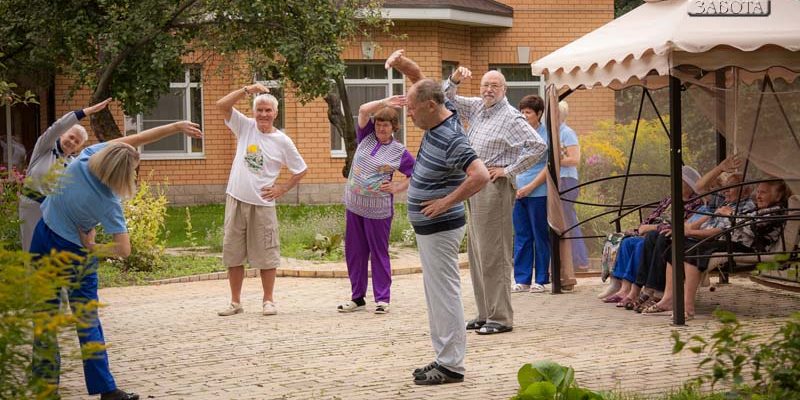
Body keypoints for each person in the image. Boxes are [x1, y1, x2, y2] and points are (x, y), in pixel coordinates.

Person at [29, 119, 203, 400]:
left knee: (45, 317)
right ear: (124, 173)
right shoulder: (109, 202)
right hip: (75, 255)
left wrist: (174, 127)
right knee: (87, 321)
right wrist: (94, 247)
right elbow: (124, 250)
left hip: (43, 237)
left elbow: (135, 139)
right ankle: (107, 391)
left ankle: (45, 387)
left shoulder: (84, 158)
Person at [386, 49, 489, 385]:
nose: (409, 115)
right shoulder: (440, 111)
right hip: (431, 227)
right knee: (436, 293)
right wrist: (404, 66)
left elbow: (480, 175)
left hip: (442, 226)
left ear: (430, 106)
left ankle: (452, 365)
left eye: (412, 110)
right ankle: (443, 356)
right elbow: (421, 82)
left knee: (444, 293)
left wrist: (445, 201)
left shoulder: (452, 137)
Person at [445, 65, 546, 335]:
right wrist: (454, 79)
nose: (489, 90)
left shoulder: (512, 117)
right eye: (485, 85)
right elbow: (447, 99)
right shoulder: (478, 106)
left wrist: (508, 170)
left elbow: (538, 146)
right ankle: (484, 312)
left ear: (505, 90)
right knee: (477, 254)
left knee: (494, 254)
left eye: (495, 86)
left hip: (494, 187)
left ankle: (500, 317)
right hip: (473, 183)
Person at [216, 83, 307, 317]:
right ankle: (235, 302)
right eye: (260, 110)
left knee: (267, 254)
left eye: (268, 110)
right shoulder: (245, 127)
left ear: (276, 113)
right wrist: (246, 90)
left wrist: (282, 188)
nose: (263, 114)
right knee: (233, 253)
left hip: (263, 205)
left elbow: (300, 169)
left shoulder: (282, 141)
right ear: (254, 112)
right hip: (236, 199)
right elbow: (221, 105)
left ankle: (268, 300)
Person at [645, 179, 789, 319]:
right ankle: (668, 298)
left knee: (693, 251)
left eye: (763, 192)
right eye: (758, 192)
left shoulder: (777, 211)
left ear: (778, 195)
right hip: (729, 242)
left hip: (748, 247)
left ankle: (687, 307)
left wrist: (731, 215)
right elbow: (726, 226)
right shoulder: (758, 208)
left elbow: (753, 229)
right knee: (677, 248)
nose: (758, 196)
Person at [337, 95, 415, 314]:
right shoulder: (366, 136)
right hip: (354, 206)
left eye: (386, 125)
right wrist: (386, 102)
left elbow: (416, 173)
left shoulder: (399, 151)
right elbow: (362, 109)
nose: (381, 128)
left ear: (394, 128)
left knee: (378, 252)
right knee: (355, 252)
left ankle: (382, 299)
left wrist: (398, 187)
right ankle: (357, 297)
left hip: (378, 210)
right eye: (379, 124)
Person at [19, 98, 111, 251]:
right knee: (31, 250)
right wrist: (88, 111)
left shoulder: (73, 164)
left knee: (54, 252)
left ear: (78, 147)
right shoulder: (44, 148)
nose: (72, 142)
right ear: (62, 135)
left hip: (55, 213)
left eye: (77, 142)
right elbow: (59, 126)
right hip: (32, 206)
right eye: (71, 136)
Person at [511, 95, 551, 293]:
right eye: (522, 111)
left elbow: (549, 167)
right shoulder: (517, 134)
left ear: (539, 114)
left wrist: (531, 187)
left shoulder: (546, 134)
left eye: (528, 112)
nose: (524, 116)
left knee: (540, 235)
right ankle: (522, 278)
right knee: (522, 236)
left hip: (539, 193)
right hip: (518, 193)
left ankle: (542, 279)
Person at [556, 101, 589, 271]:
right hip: (556, 180)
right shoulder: (552, 132)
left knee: (568, 220)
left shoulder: (567, 133)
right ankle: (570, 260)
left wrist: (554, 161)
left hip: (567, 180)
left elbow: (574, 159)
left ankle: (580, 260)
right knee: (563, 220)